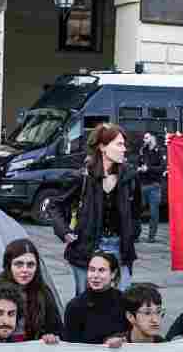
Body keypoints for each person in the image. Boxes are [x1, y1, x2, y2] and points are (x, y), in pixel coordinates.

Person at [53, 123, 138, 296]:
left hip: (120, 248)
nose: (124, 149)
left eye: (124, 145)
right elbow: (55, 205)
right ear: (102, 147)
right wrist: (64, 231)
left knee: (122, 302)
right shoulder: (83, 177)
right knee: (86, 303)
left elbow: (136, 211)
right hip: (86, 248)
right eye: (119, 144)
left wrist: (132, 232)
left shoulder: (130, 176)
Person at [0, 239, 63, 343]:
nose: (25, 270)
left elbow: (56, 329)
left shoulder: (43, 292)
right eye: (19, 264)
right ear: (9, 265)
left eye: (30, 265)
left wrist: (50, 336)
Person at [63, 251, 126, 346]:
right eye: (92, 270)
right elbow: (70, 345)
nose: (95, 276)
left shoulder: (124, 301)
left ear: (113, 274)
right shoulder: (75, 306)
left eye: (101, 270)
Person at [111, 283, 166, 347]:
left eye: (158, 312)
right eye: (147, 313)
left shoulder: (164, 346)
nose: (155, 320)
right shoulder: (116, 343)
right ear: (130, 316)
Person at [138, 132, 167, 243]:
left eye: (146, 137)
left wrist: (148, 169)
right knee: (137, 211)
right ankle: (136, 235)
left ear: (152, 138)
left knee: (154, 213)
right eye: (144, 137)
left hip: (155, 186)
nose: (144, 139)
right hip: (142, 185)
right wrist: (140, 169)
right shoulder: (142, 150)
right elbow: (139, 164)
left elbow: (162, 168)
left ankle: (151, 236)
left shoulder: (159, 151)